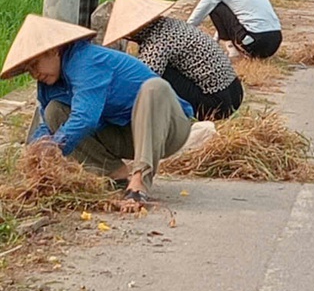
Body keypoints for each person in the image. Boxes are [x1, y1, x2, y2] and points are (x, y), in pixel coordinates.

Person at [1, 14, 193, 212]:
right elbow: (46, 124)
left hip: (167, 129)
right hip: (125, 135)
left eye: (35, 64)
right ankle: (115, 175)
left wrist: (55, 147)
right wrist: (38, 152)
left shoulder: (86, 61)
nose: (34, 74)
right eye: (28, 69)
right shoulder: (48, 84)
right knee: (54, 111)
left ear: (53, 51)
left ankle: (140, 181)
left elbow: (86, 118)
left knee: (154, 88)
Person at [104, 0, 244, 121]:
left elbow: (141, 81)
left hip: (217, 105)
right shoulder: (168, 24)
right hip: (235, 92)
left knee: (152, 79)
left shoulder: (157, 42)